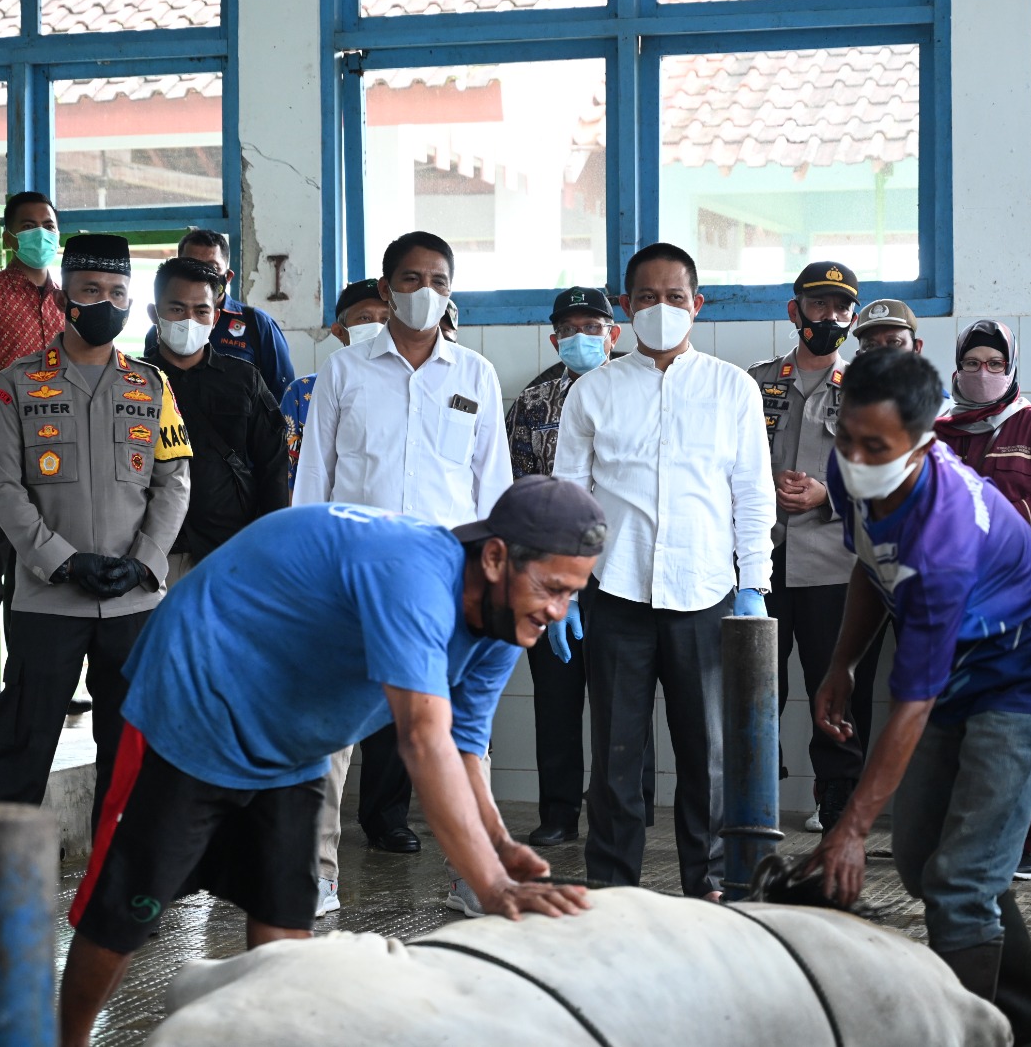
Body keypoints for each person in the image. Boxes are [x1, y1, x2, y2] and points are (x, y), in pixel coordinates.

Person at [57, 477, 602, 1047]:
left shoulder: (502, 622)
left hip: (292, 738)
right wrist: (491, 887)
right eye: (553, 588)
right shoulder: (414, 575)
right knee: (126, 912)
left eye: (573, 595)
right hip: (196, 699)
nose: (558, 611)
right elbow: (423, 740)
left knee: (287, 910)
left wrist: (499, 843)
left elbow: (464, 746)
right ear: (495, 557)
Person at [807, 348, 1031, 1047]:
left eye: (877, 448)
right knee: (935, 864)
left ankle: (972, 1037)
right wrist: (843, 663)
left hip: (1021, 682)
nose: (857, 459)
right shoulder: (855, 463)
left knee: (960, 887)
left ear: (924, 445)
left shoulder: (945, 529)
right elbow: (871, 562)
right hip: (951, 675)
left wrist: (853, 826)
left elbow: (913, 700)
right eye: (849, 440)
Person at [293, 231, 511, 914]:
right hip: (354, 575)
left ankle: (473, 875)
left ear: (452, 292)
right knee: (329, 734)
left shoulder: (474, 374)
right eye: (411, 280)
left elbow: (492, 487)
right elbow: (314, 479)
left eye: (439, 282)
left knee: (457, 734)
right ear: (386, 291)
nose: (426, 294)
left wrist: (494, 580)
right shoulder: (346, 372)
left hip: (447, 582)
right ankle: (314, 878)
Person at [553, 241, 775, 901]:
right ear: (625, 307)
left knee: (707, 759)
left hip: (707, 593)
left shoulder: (731, 387)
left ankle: (706, 890)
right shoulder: (593, 392)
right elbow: (569, 494)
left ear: (696, 305)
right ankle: (613, 895)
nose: (660, 307)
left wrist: (754, 584)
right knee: (617, 762)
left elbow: (752, 492)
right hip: (615, 593)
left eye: (674, 296)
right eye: (646, 297)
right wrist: (566, 587)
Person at [0, 233, 193, 837]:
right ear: (64, 297)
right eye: (90, 290)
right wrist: (64, 562)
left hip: (134, 602)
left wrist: (147, 562)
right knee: (21, 753)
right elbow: (2, 491)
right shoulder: (12, 387)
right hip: (46, 602)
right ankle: (2, 902)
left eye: (117, 292)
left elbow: (174, 483)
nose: (105, 302)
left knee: (132, 758)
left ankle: (115, 897)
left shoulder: (152, 388)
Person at [933, 319, 1031, 883]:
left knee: (1029, 722)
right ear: (956, 367)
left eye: (994, 363)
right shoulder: (942, 428)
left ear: (1012, 368)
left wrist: (1017, 516)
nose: (983, 373)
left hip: (1024, 603)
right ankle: (967, 840)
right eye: (972, 363)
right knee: (958, 722)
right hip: (953, 602)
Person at [504, 286, 652, 847]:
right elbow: (516, 484)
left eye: (593, 326)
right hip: (553, 569)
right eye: (569, 329)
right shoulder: (533, 400)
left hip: (626, 567)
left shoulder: (639, 385)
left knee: (626, 695)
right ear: (553, 337)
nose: (581, 337)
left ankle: (629, 811)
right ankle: (559, 812)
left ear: (614, 333)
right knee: (557, 695)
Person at [748, 261, 879, 835]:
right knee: (754, 687)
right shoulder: (754, 383)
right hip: (761, 563)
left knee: (837, 688)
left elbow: (886, 479)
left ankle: (838, 803)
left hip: (837, 564)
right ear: (794, 310)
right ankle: (752, 797)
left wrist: (829, 495)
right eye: (819, 304)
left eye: (840, 307)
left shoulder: (869, 390)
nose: (830, 316)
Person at [0, 190, 66, 720]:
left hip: (56, 466)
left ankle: (38, 683)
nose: (41, 233)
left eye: (49, 224)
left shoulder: (70, 304)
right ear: (7, 237)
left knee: (46, 574)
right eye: (29, 225)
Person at [141, 257, 287, 581]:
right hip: (153, 552)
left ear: (215, 316)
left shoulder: (244, 379)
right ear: (154, 314)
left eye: (201, 311)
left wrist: (273, 543)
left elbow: (273, 464)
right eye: (177, 309)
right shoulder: (134, 382)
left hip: (230, 549)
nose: (189, 320)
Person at [145, 229, 295, 404]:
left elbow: (284, 394)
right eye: (191, 264)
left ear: (228, 276)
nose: (201, 274)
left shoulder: (257, 324)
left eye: (212, 268)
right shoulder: (160, 329)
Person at [280, 279, 387, 495]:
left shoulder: (410, 389)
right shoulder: (304, 392)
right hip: (328, 520)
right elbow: (291, 478)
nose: (378, 327)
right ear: (339, 331)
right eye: (364, 318)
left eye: (387, 319)